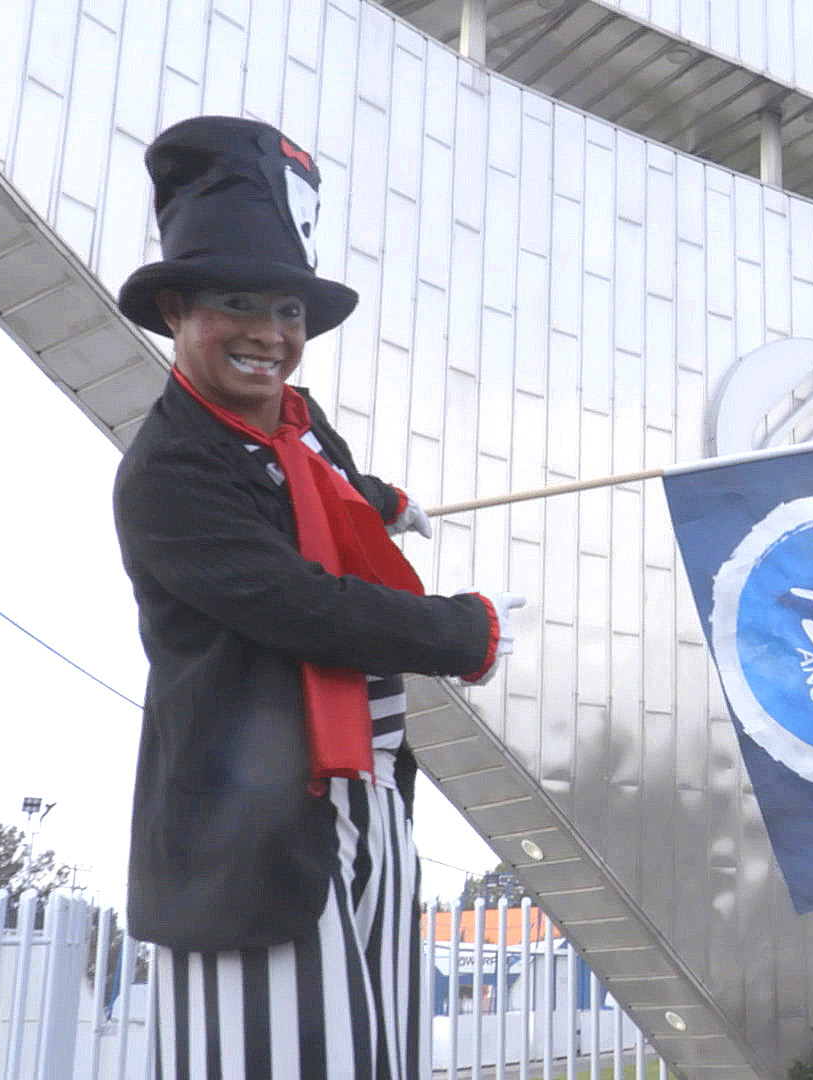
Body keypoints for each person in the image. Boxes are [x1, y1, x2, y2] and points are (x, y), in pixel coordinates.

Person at [111, 115, 526, 1079]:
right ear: (177, 311)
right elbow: (305, 604)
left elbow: (318, 498)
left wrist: (388, 501)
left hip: (365, 807)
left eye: (289, 311)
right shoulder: (169, 472)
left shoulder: (294, 432)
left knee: (374, 1059)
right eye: (238, 303)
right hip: (249, 838)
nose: (270, 334)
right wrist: (467, 629)